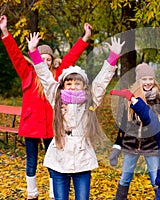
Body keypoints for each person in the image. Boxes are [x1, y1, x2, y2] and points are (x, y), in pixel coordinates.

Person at [0, 14, 92, 200]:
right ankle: (32, 192)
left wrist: (85, 38)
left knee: (55, 161)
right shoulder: (27, 73)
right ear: (35, 59)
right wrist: (4, 31)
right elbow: (15, 55)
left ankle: (53, 193)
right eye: (41, 59)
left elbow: (72, 56)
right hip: (31, 125)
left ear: (52, 61)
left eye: (48, 59)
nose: (45, 62)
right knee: (32, 161)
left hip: (53, 126)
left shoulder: (57, 76)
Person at [27, 32, 125, 200]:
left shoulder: (90, 99)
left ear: (83, 85)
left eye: (77, 83)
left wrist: (113, 57)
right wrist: (34, 52)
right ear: (63, 85)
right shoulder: (56, 98)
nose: (72, 86)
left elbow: (101, 82)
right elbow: (45, 77)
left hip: (82, 158)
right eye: (69, 83)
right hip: (59, 158)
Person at [109, 63, 160, 199]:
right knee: (125, 177)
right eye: (144, 79)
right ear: (138, 81)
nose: (148, 82)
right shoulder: (130, 99)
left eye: (150, 79)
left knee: (156, 179)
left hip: (151, 145)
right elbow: (123, 124)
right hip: (131, 145)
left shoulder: (159, 99)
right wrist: (117, 147)